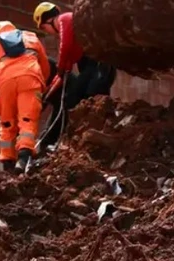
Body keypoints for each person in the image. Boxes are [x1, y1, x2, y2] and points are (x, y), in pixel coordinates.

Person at [34, 2, 116, 151]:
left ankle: (100, 139)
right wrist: (48, 94)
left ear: (48, 20)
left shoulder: (64, 19)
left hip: (98, 65)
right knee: (72, 99)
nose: (46, 31)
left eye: (43, 27)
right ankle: (64, 141)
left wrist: (60, 68)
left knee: (93, 98)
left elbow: (64, 49)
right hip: (90, 67)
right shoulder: (70, 33)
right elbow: (65, 68)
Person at [0, 21, 50, 173]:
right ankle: (23, 157)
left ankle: (7, 161)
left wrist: (3, 87)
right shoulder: (31, 37)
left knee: (7, 122)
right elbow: (44, 66)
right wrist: (40, 85)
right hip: (30, 77)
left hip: (5, 82)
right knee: (27, 119)